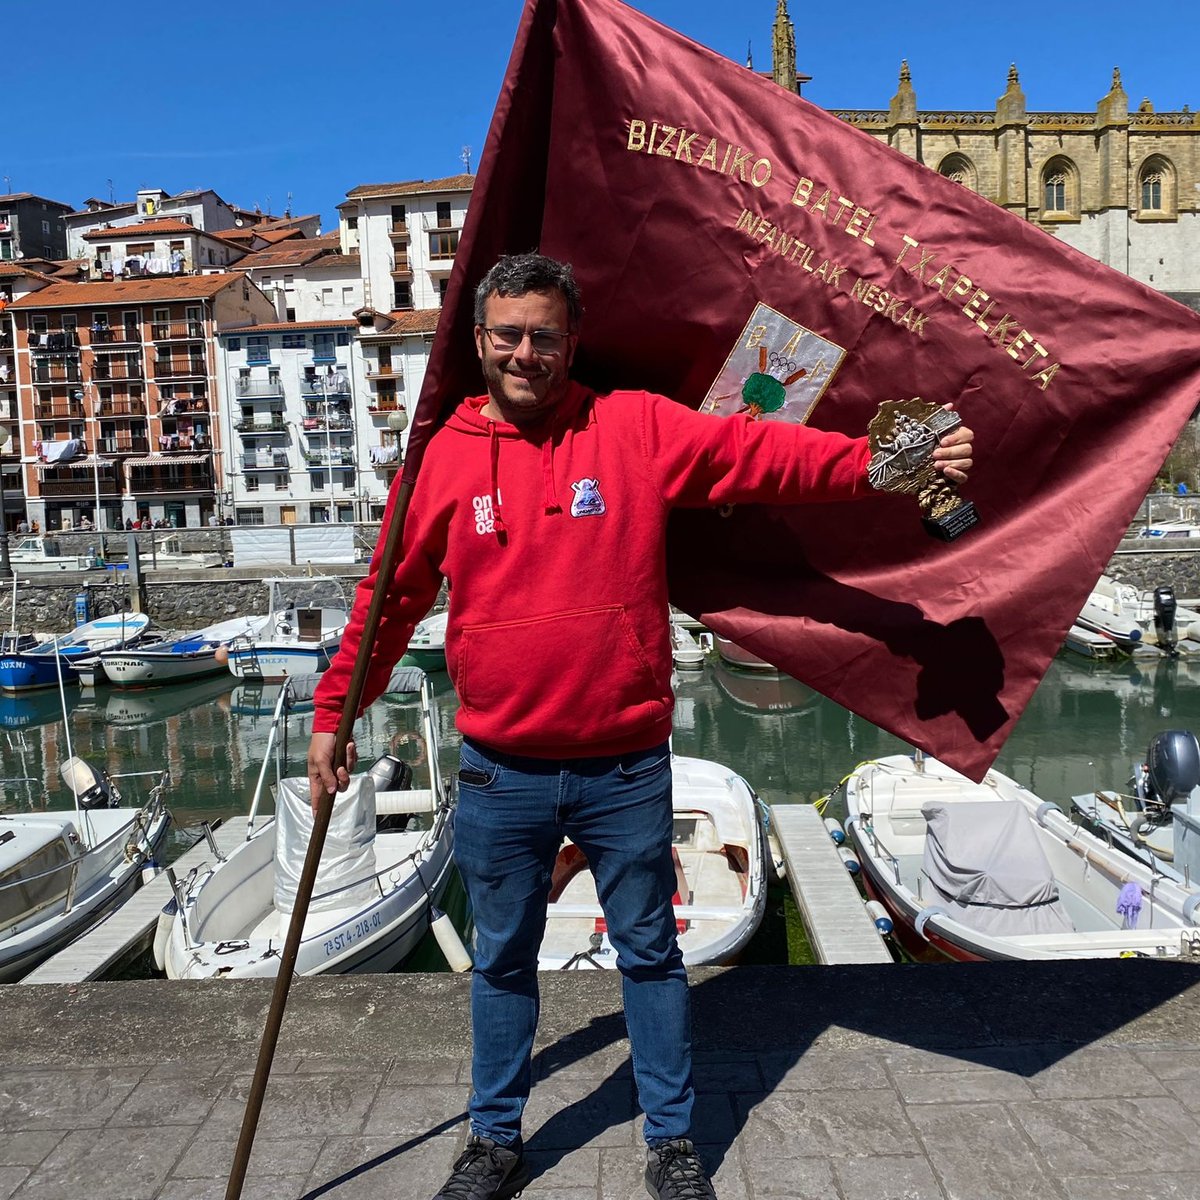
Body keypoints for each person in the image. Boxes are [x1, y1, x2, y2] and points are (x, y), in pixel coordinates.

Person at [308, 254, 974, 1200]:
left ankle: (672, 1142)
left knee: (652, 958)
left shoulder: (633, 425)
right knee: (501, 962)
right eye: (509, 335)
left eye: (545, 336)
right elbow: (390, 600)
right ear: (481, 340)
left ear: (572, 341)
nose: (526, 353)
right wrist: (336, 712)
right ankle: (494, 1140)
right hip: (500, 770)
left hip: (623, 767)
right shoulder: (444, 457)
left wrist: (881, 463)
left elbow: (761, 454)